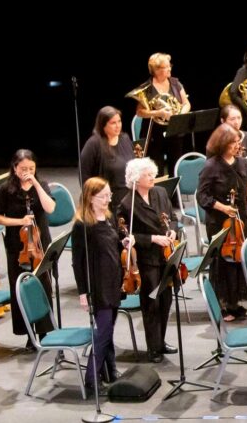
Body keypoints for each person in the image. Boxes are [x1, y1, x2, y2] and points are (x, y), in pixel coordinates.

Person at [196, 123, 247, 321]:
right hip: (220, 222)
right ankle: (222, 305)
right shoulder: (211, 166)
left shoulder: (241, 162)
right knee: (223, 262)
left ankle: (235, 303)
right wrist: (222, 207)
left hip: (241, 219)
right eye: (233, 142)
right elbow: (202, 196)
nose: (238, 145)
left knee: (237, 261)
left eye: (238, 141)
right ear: (222, 144)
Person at [0, 149, 56, 350]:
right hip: (17, 246)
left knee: (43, 286)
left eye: (31, 168)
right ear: (14, 168)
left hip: (39, 243)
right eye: (23, 168)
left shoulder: (41, 185)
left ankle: (45, 332)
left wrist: (35, 183)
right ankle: (29, 334)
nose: (27, 171)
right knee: (21, 288)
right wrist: (19, 221)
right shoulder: (5, 189)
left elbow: (50, 208)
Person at [119, 158, 178, 363]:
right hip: (147, 259)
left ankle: (161, 341)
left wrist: (172, 231)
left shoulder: (160, 193)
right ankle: (153, 347)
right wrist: (153, 238)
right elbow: (126, 235)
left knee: (167, 299)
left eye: (152, 173)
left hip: (166, 255)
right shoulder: (127, 203)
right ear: (136, 179)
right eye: (147, 175)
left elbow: (173, 218)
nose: (152, 177)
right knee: (152, 303)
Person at [71, 178, 128, 391]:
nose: (108, 199)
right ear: (90, 198)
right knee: (102, 331)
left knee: (109, 328)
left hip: (113, 280)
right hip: (98, 284)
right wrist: (83, 293)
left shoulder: (110, 217)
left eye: (109, 195)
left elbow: (114, 242)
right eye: (103, 196)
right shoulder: (82, 225)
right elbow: (77, 262)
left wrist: (124, 241)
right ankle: (91, 379)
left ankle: (110, 370)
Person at [133, 52, 191, 175]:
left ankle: (175, 194)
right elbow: (139, 112)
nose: (170, 68)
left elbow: (186, 103)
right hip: (154, 134)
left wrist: (179, 114)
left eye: (170, 65)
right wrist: (159, 112)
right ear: (157, 70)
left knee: (175, 168)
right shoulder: (146, 88)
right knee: (156, 169)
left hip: (174, 132)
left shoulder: (175, 83)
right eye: (166, 67)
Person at [80, 106, 135, 207]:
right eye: (113, 123)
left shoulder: (125, 139)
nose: (118, 126)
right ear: (103, 125)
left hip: (127, 198)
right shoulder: (93, 144)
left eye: (119, 121)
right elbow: (84, 175)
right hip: (105, 200)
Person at [219, 103, 247, 171]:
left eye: (239, 118)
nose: (237, 122)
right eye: (232, 119)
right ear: (223, 121)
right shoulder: (217, 142)